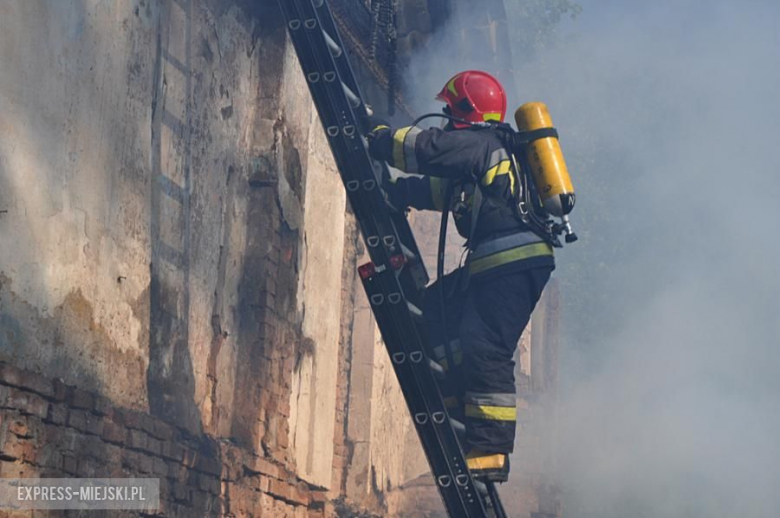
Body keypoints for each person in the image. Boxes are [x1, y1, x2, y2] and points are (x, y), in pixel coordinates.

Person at [366, 70, 554, 482]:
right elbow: (443, 192)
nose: (447, 120)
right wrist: (400, 194)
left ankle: (490, 451)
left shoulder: (480, 144)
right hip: (495, 265)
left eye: (451, 112)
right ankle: (460, 421)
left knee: (485, 345)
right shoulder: (492, 157)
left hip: (511, 262)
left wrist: (378, 138)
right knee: (436, 315)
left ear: (465, 112)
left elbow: (429, 149)